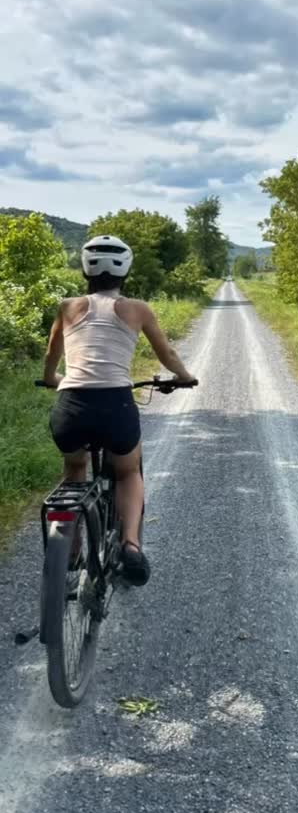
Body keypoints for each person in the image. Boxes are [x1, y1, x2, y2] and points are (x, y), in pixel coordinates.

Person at [42, 234, 197, 585]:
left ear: (85, 270)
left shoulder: (67, 307)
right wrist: (185, 377)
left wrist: (53, 378)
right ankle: (131, 545)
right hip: (115, 405)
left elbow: (52, 354)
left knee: (74, 468)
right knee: (128, 472)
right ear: (125, 271)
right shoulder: (137, 309)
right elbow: (167, 355)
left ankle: (70, 549)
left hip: (71, 406)